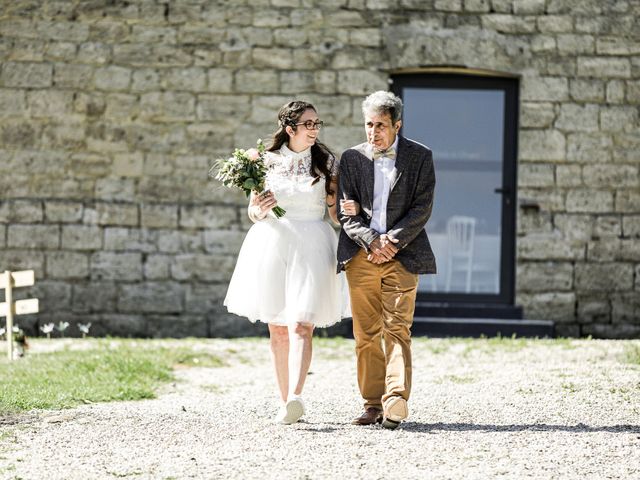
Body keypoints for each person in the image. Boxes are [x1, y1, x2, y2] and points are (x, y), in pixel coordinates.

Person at [224, 101, 358, 425]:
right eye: (308, 124)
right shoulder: (264, 162)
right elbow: (253, 213)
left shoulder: (326, 162)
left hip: (313, 244)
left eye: (317, 123)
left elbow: (332, 213)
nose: (315, 129)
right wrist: (262, 208)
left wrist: (347, 212)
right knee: (278, 328)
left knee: (301, 323)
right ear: (290, 129)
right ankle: (284, 401)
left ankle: (297, 395)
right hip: (273, 242)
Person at [337, 91, 436, 430]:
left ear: (397, 125)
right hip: (361, 255)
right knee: (365, 333)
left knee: (398, 329)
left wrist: (391, 240)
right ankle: (371, 404)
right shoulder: (350, 159)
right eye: (368, 124)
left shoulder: (420, 157)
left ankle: (396, 401)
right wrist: (372, 240)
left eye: (380, 125)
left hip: (403, 253)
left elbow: (421, 208)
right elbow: (345, 213)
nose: (373, 132)